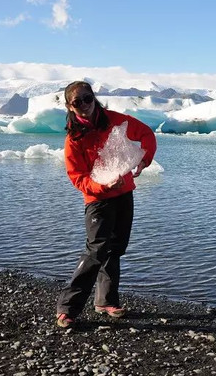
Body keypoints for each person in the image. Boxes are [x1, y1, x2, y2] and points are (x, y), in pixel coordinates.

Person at [55, 81, 157, 328]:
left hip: (124, 194)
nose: (84, 105)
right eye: (77, 102)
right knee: (97, 249)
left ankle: (106, 300)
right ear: (69, 106)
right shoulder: (74, 138)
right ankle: (68, 307)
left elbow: (146, 134)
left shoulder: (115, 120)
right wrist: (102, 187)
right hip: (98, 200)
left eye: (87, 98)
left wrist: (145, 160)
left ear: (94, 98)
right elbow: (77, 177)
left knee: (116, 248)